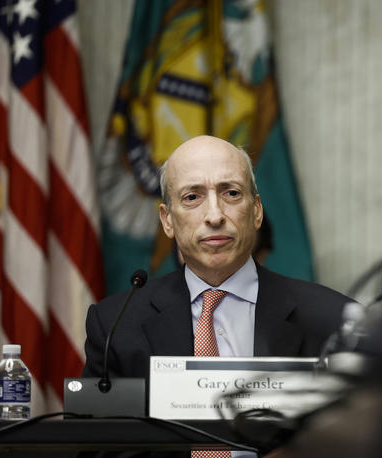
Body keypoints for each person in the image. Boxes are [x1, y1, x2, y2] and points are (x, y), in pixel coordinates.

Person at [82, 135, 352, 379]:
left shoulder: (331, 319)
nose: (215, 216)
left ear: (257, 211)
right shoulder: (115, 326)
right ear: (167, 221)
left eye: (231, 193)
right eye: (192, 197)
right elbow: (96, 431)